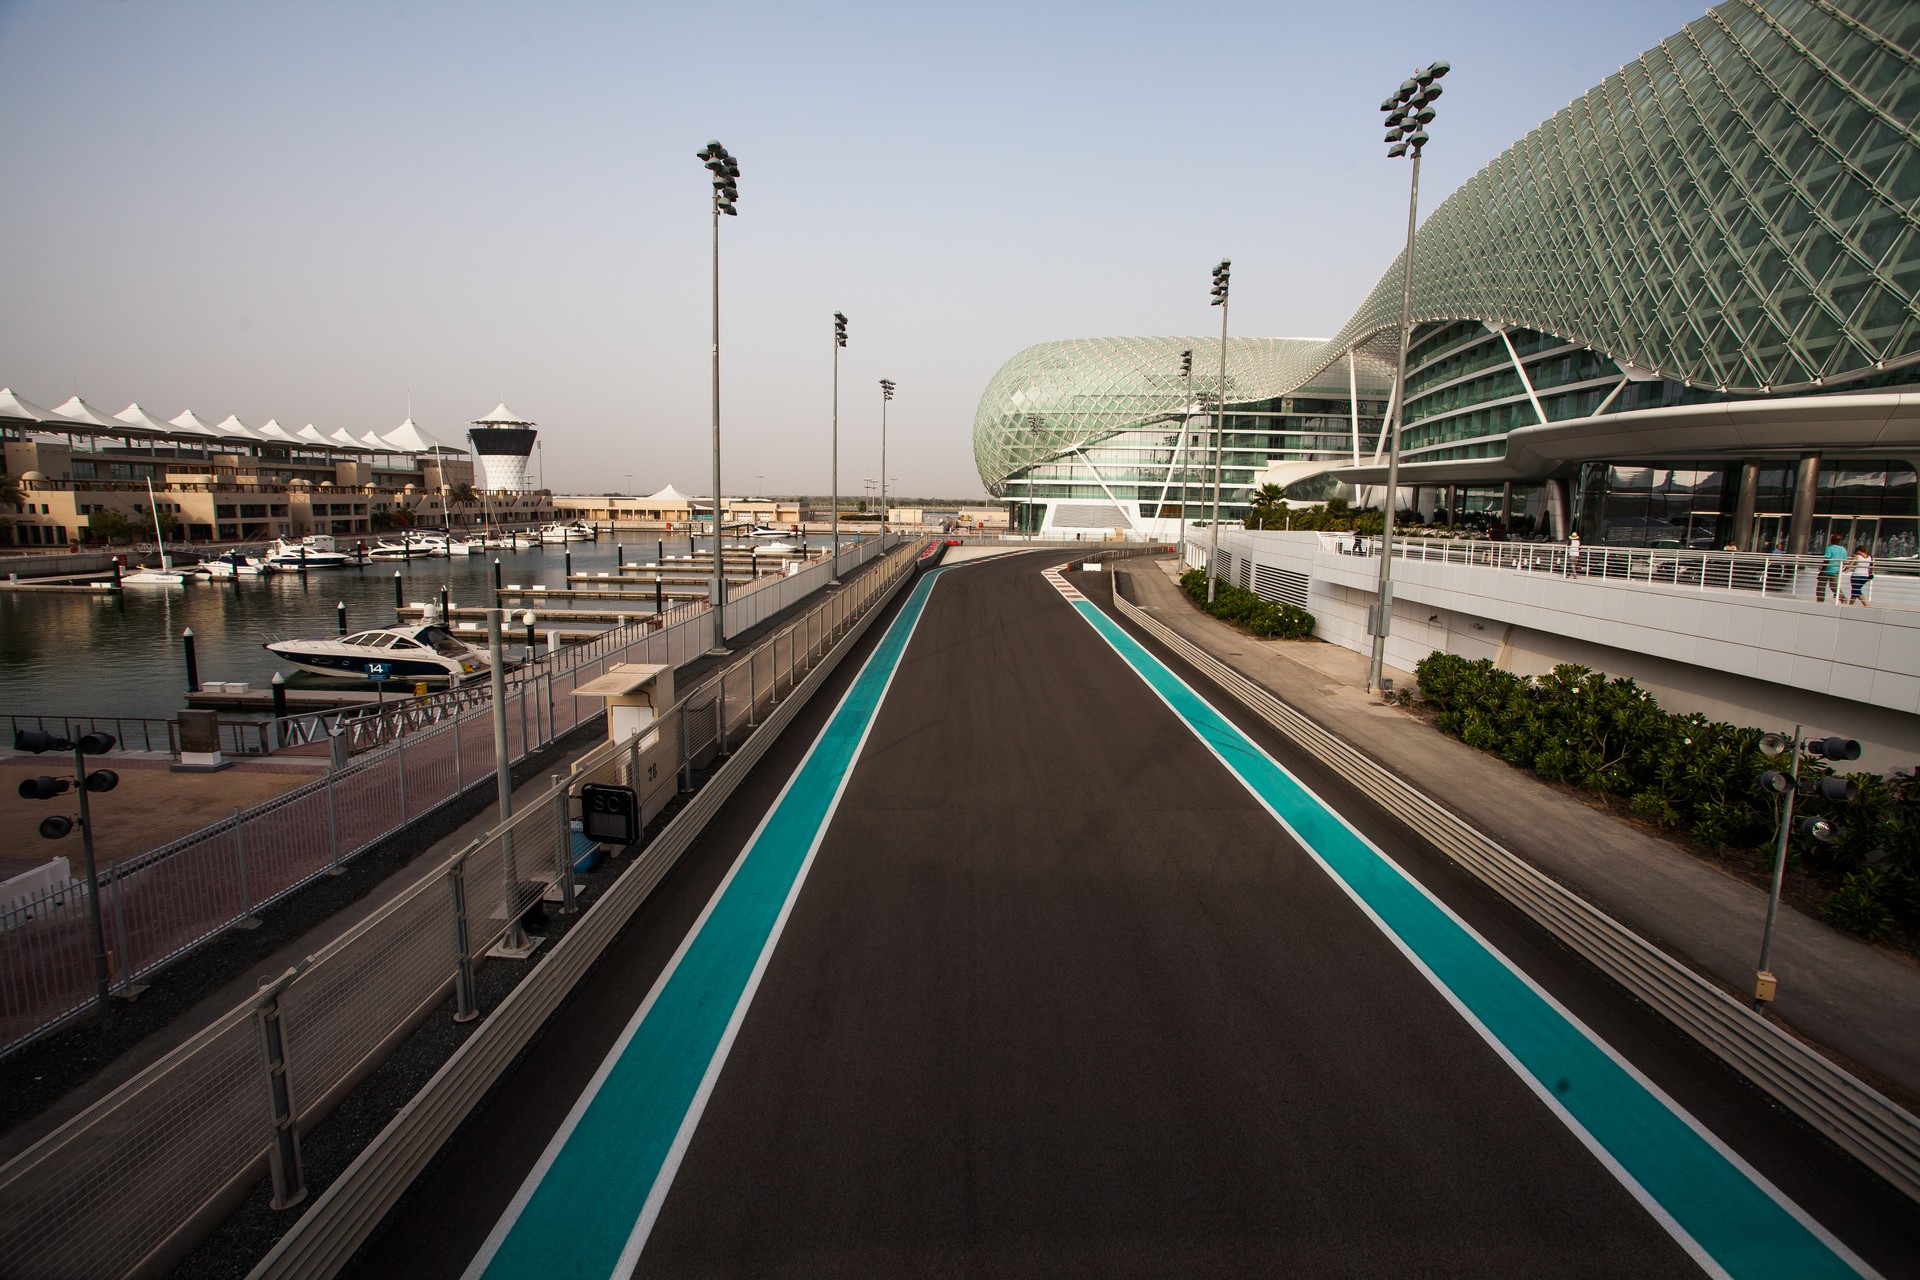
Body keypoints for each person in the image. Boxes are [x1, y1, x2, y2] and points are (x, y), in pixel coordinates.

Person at [1817, 533, 1847, 602]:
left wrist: (1821, 571)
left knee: (1821, 586)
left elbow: (1826, 560)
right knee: (1834, 586)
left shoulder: (1829, 548)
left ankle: (1820, 600)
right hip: (1836, 570)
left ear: (1832, 540)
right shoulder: (1843, 549)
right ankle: (1843, 598)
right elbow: (1844, 561)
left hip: (1828, 570)